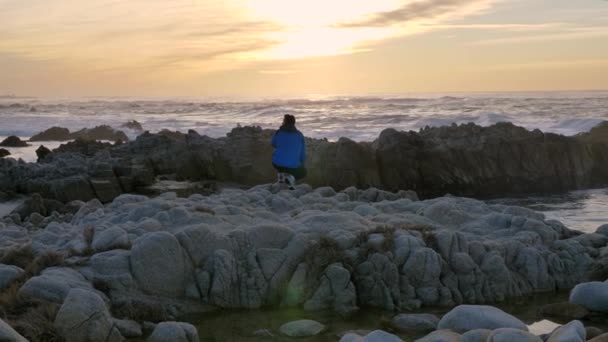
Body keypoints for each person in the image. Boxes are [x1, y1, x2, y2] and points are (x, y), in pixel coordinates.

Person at [271, 114, 306, 190]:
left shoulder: (278, 132)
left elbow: (273, 143)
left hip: (277, 163)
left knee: (280, 163)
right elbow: (302, 154)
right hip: (293, 165)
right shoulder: (300, 135)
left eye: (283, 121)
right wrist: (302, 162)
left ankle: (281, 181)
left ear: (284, 122)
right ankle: (290, 179)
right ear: (294, 123)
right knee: (303, 172)